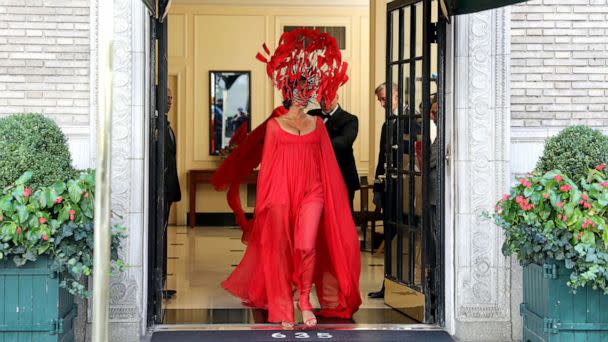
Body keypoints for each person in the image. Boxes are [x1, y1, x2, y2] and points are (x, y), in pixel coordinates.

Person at [211, 28, 361, 329]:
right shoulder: (276, 126)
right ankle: (284, 302)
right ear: (290, 91)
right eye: (303, 88)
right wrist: (269, 204)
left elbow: (328, 167)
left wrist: (335, 208)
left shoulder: (318, 125)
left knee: (306, 245)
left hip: (313, 191)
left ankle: (304, 299)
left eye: (311, 87)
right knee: (281, 248)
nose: (308, 94)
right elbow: (270, 168)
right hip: (282, 191)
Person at [308, 94, 360, 210]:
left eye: (329, 98)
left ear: (336, 97)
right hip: (315, 178)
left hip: (342, 176)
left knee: (342, 216)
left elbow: (344, 141)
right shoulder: (311, 115)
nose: (325, 103)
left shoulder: (350, 119)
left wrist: (316, 146)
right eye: (322, 99)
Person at [162, 88, 181, 299]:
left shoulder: (167, 126)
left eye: (171, 98)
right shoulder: (157, 126)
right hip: (160, 191)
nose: (170, 101)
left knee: (164, 232)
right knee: (160, 233)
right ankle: (158, 286)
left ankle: (162, 284)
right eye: (166, 98)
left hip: (168, 188)